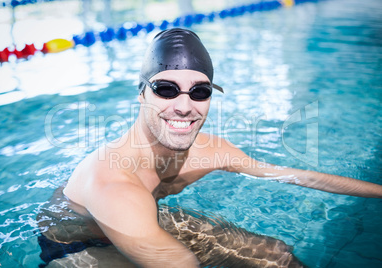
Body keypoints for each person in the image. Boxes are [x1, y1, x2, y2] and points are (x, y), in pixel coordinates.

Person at [37, 28, 382, 268]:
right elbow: (179, 264)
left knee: (274, 256)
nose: (185, 106)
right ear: (141, 93)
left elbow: (296, 177)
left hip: (143, 221)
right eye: (166, 89)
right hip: (77, 248)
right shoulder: (112, 179)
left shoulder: (211, 150)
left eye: (199, 91)